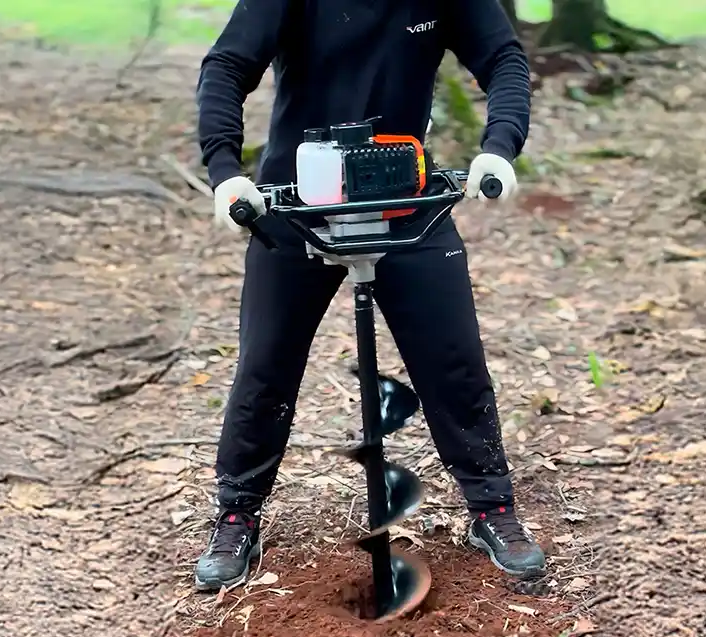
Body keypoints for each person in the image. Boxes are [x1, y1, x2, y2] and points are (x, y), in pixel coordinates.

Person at [191, 0, 539, 591]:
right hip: (297, 200)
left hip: (409, 202)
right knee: (265, 366)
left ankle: (491, 506)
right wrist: (225, 172)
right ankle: (237, 513)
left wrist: (499, 147)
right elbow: (226, 66)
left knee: (454, 361)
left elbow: (504, 58)